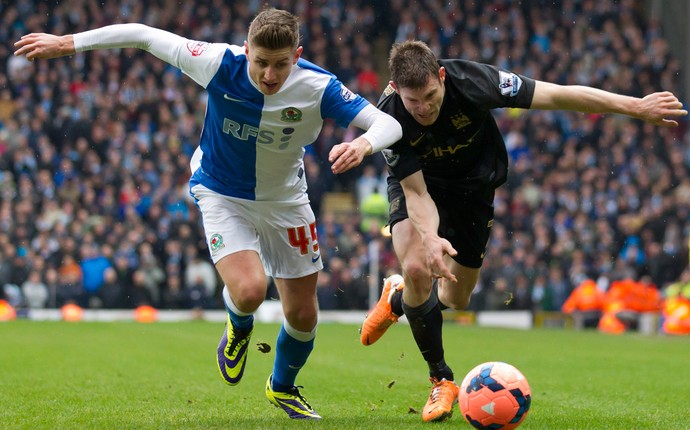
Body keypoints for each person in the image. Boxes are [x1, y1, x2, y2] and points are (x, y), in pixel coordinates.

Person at [15, 8, 402, 420]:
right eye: (261, 63)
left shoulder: (319, 87)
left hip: (286, 200)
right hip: (221, 193)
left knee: (303, 315)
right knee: (251, 291)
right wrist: (67, 43)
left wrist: (363, 145)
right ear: (246, 49)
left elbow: (387, 124)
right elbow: (143, 34)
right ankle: (238, 324)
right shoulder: (217, 62)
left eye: (281, 65)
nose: (270, 75)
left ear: (298, 54)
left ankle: (282, 387)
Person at [360, 40, 687, 423]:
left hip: (473, 189)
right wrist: (430, 239)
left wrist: (635, 106)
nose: (424, 108)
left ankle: (398, 302)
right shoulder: (387, 116)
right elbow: (415, 193)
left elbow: (559, 95)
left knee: (456, 296)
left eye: (431, 95)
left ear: (442, 77)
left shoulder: (476, 82)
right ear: (397, 90)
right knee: (416, 268)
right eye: (414, 102)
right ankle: (441, 379)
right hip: (419, 186)